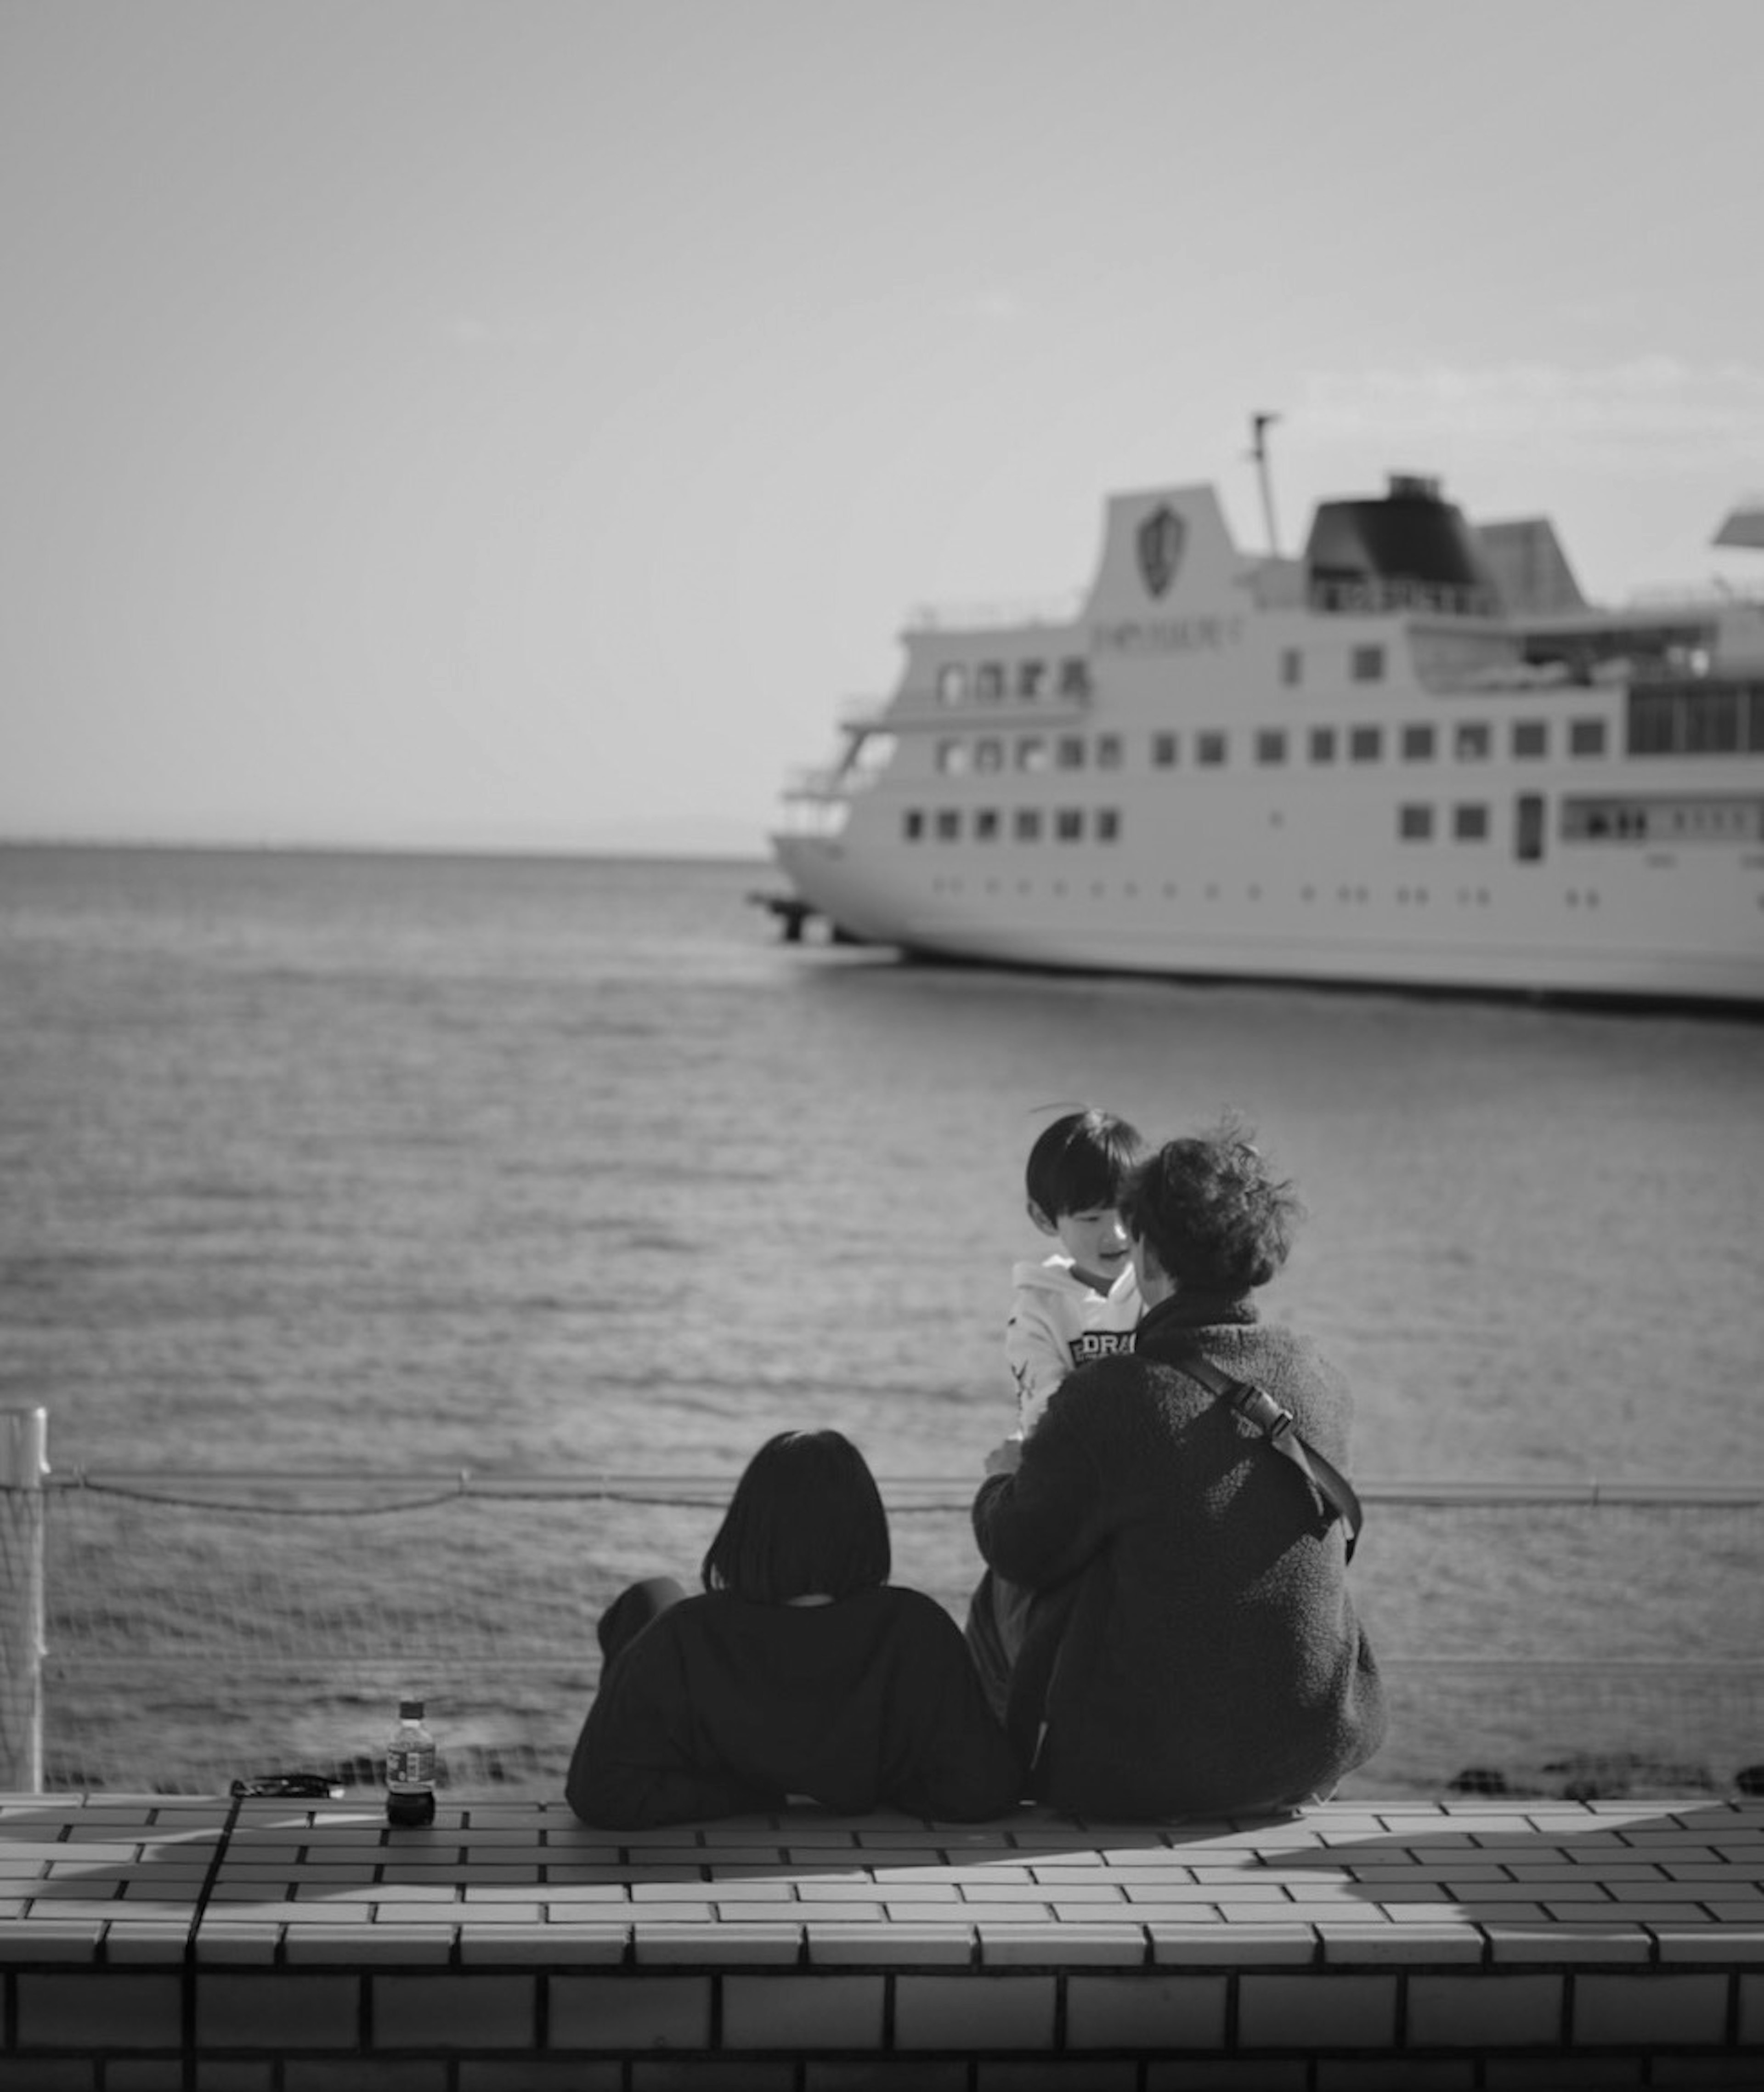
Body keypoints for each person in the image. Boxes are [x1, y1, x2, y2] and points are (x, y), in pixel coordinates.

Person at [970, 1120, 1386, 1819]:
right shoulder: (1319, 1377)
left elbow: (1019, 1544)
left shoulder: (1113, 1396)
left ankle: (990, 1783)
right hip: (1309, 1751)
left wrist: (1000, 1481)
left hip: (1142, 1772)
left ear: (1151, 1256)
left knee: (999, 1585)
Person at [566, 1429, 1023, 1828]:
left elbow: (601, 1793)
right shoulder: (911, 1627)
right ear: (866, 1528)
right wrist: (873, 1788)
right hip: (865, 1866)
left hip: (705, 1855)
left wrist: (752, 1795)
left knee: (649, 1597)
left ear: (746, 1525)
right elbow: (980, 1789)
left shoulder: (687, 1633)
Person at [1005, 1108, 1149, 1435]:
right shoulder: (1037, 1310)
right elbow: (1043, 1414)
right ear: (1044, 1218)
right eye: (1091, 1218)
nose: (1117, 1234)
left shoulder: (1162, 1287)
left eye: (1127, 1212)